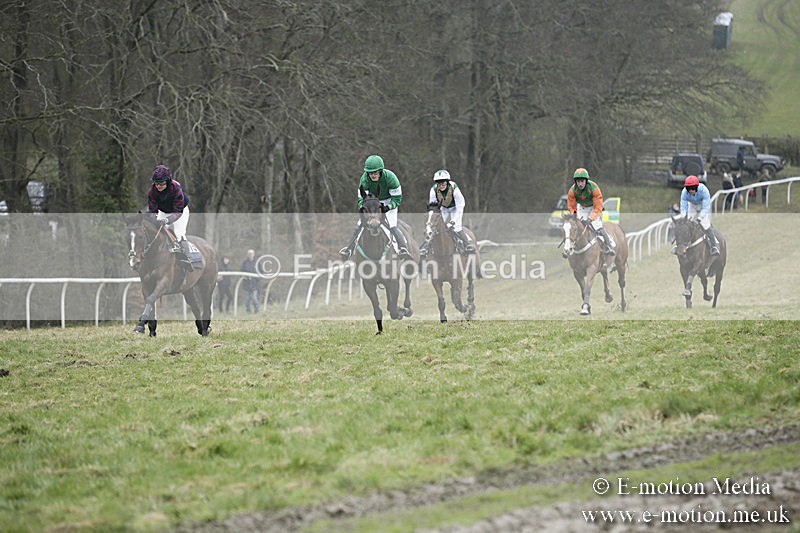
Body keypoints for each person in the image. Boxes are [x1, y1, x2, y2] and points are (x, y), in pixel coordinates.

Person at [339, 155, 411, 260]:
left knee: (392, 226)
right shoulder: (364, 180)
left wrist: (389, 206)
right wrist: (362, 208)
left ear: (381, 171)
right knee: (359, 225)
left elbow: (397, 199)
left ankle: (403, 249)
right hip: (372, 203)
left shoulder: (391, 178)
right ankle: (348, 250)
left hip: (389, 201)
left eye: (375, 172)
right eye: (370, 173)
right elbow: (362, 199)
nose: (373, 175)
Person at [147, 164, 201, 270]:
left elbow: (178, 211)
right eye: (156, 183)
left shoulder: (176, 188)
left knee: (179, 233)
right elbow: (153, 209)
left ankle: (188, 258)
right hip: (163, 210)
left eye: (161, 183)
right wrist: (154, 218)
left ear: (168, 181)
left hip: (180, 211)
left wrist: (167, 220)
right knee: (155, 230)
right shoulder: (152, 191)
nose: (158, 186)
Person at [420, 169, 475, 257]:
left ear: (447, 182)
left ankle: (468, 244)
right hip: (443, 208)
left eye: (443, 183)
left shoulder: (454, 188)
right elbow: (433, 207)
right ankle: (426, 247)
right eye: (439, 183)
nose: (441, 185)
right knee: (435, 227)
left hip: (456, 208)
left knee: (456, 227)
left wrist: (453, 222)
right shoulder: (433, 190)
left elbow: (460, 207)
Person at [567, 168, 615, 255]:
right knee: (576, 227)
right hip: (581, 208)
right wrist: (574, 216)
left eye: (582, 181)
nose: (580, 184)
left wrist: (590, 219)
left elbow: (598, 206)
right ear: (575, 182)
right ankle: (570, 247)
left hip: (594, 208)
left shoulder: (594, 188)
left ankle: (609, 246)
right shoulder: (572, 190)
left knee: (597, 226)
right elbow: (571, 206)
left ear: (586, 180)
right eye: (578, 181)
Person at [678, 175, 719, 255]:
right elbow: (683, 208)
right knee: (686, 224)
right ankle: (681, 245)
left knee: (705, 225)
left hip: (703, 206)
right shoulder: (684, 193)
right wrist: (684, 218)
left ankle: (714, 246)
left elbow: (705, 208)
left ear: (696, 187)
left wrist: (699, 219)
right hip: (692, 206)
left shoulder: (704, 190)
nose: (691, 191)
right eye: (688, 189)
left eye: (693, 188)